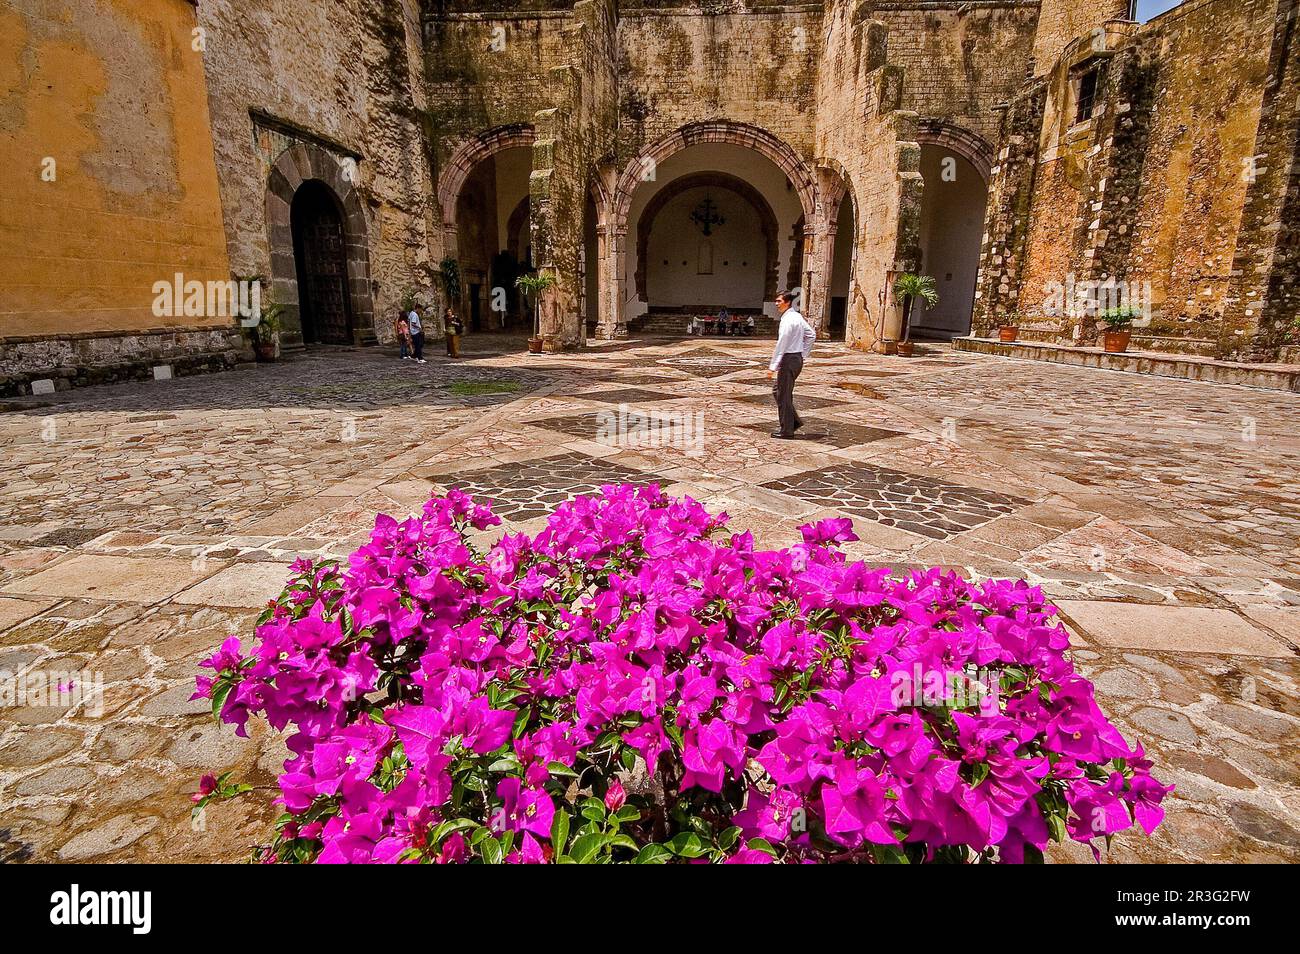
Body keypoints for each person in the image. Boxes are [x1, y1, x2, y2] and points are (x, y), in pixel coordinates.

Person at [766, 290, 815, 438]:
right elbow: (811, 335)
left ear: (787, 302)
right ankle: (792, 421)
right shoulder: (797, 316)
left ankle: (787, 430)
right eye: (776, 301)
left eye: (779, 301)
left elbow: (782, 344)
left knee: (783, 395)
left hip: (789, 359)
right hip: (796, 358)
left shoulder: (788, 320)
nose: (776, 304)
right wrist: (803, 354)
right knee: (778, 390)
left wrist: (773, 366)